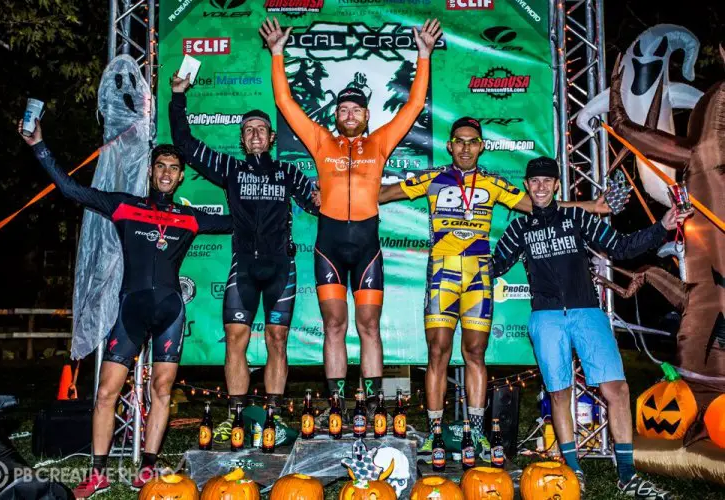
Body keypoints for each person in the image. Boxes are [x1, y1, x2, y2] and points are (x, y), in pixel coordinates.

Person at [18, 120, 234, 498]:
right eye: (160, 167)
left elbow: (242, 221)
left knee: (162, 390)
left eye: (173, 169)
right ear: (151, 172)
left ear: (181, 177)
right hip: (130, 310)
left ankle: (147, 469)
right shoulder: (124, 206)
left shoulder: (192, 218)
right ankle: (98, 473)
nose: (166, 173)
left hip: (169, 312)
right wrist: (39, 145)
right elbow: (70, 189)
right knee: (106, 392)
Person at [378, 118, 614, 458]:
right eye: (459, 141)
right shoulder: (432, 178)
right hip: (441, 276)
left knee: (475, 353)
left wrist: (591, 207)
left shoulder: (493, 183)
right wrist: (339, 190)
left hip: (479, 277)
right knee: (438, 353)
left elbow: (541, 207)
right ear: (449, 145)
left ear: (481, 146)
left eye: (472, 141)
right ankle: (434, 434)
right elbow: (383, 194)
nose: (465, 147)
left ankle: (475, 433)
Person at [260, 17, 442, 419]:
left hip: (366, 247)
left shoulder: (379, 142)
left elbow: (413, 106)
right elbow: (287, 104)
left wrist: (423, 55)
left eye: (354, 108)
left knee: (370, 327)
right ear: (336, 114)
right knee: (334, 326)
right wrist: (277, 53)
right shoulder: (321, 140)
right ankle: (340, 405)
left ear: (365, 114)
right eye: (342, 108)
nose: (347, 113)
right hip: (327, 246)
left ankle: (372, 406)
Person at [490, 156, 689, 498]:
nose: (539, 187)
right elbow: (492, 266)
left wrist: (663, 226)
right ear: (526, 186)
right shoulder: (518, 228)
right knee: (559, 393)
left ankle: (626, 475)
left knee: (618, 390)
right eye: (533, 181)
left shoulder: (577, 217)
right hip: (546, 318)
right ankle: (573, 472)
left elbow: (622, 247)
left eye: (546, 181)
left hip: (587, 313)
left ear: (556, 185)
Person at [168, 73, 319, 427]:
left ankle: (275, 419)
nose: (254, 134)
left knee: (276, 339)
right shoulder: (231, 169)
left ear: (270, 138)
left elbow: (316, 204)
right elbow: (186, 144)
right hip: (244, 269)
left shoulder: (288, 172)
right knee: (235, 339)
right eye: (248, 129)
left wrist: (322, 197)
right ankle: (236, 418)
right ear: (242, 138)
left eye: (260, 129)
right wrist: (178, 96)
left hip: (282, 267)